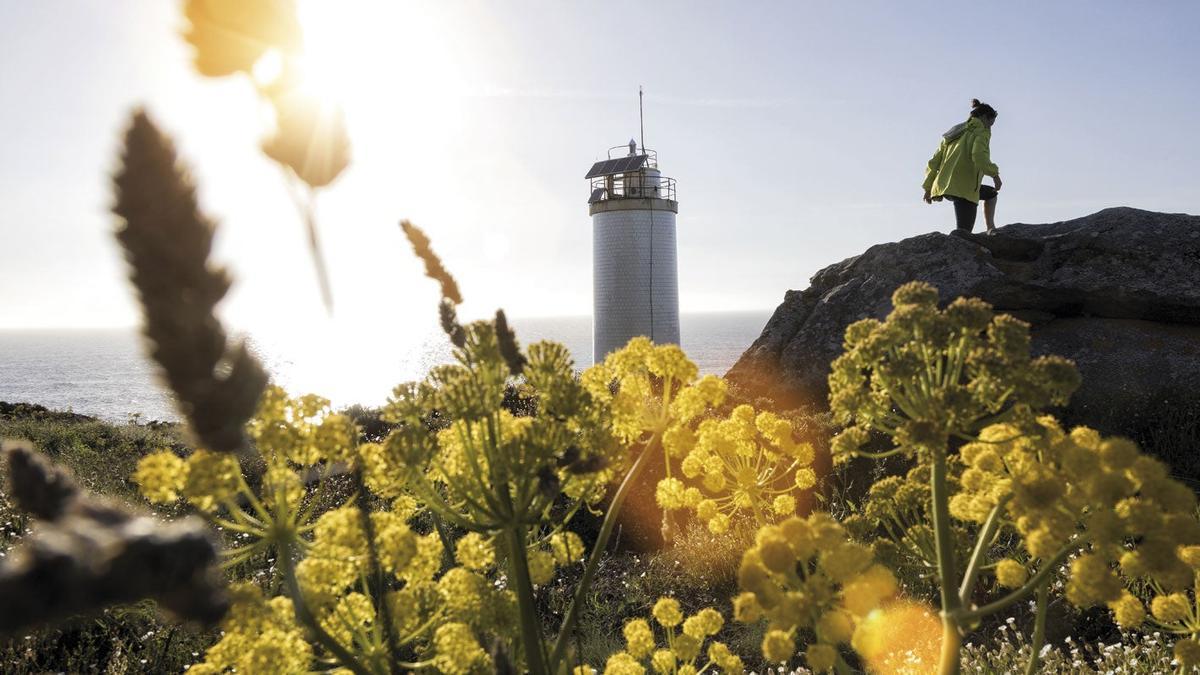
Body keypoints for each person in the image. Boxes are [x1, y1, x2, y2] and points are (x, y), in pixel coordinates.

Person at [923, 99, 1002, 234]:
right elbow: (978, 156)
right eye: (991, 123)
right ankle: (990, 230)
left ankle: (991, 229)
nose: (990, 127)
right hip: (965, 188)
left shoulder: (954, 133)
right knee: (964, 233)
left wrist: (928, 187)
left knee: (991, 194)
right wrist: (995, 175)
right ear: (984, 117)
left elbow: (934, 161)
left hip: (944, 185)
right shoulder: (981, 132)